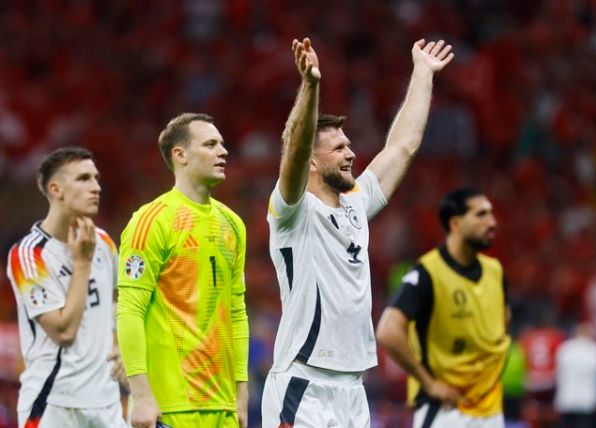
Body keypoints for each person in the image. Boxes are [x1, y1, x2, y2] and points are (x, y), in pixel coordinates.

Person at [261, 37, 454, 427]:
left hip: (353, 389)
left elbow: (402, 147)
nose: (352, 153)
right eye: (339, 148)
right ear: (312, 162)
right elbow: (294, 150)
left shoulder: (355, 204)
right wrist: (310, 87)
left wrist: (422, 74)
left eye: (349, 145)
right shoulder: (291, 212)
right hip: (304, 383)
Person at [116, 113, 249, 428]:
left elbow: (237, 313)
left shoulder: (233, 225)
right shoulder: (152, 220)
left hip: (224, 408)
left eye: (223, 144)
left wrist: (241, 394)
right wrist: (142, 396)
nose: (223, 151)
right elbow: (129, 310)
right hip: (170, 408)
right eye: (211, 144)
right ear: (181, 155)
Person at [6, 146, 127, 428]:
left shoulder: (105, 242)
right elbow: (63, 331)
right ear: (56, 189)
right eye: (84, 179)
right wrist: (81, 264)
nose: (96, 187)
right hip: (54, 405)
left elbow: (120, 299)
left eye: (97, 178)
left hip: (106, 402)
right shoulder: (28, 256)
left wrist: (122, 343)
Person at [376, 188, 511, 428]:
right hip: (447, 412)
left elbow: (502, 320)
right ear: (456, 224)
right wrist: (428, 383)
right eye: (481, 215)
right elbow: (388, 331)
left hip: (490, 411)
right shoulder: (427, 273)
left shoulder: (495, 271)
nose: (492, 222)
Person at [554, 322, 596, 428]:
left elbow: (558, 373)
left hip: (566, 399)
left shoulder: (565, 349)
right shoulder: (594, 350)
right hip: (587, 401)